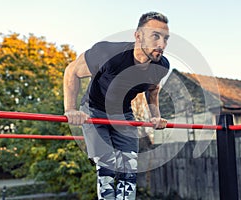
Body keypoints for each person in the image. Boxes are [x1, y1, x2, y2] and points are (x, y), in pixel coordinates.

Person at [63, 11, 170, 200]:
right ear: (138, 36)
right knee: (108, 169)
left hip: (123, 115)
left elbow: (152, 90)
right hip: (94, 111)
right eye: (155, 36)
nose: (162, 44)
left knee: (129, 172)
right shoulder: (108, 54)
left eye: (165, 38)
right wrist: (71, 109)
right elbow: (71, 71)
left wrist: (155, 115)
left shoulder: (160, 66)